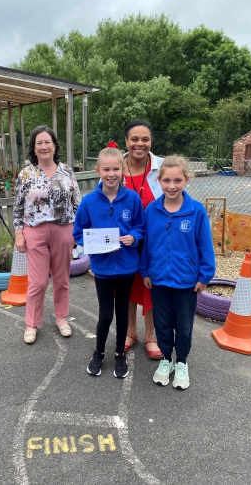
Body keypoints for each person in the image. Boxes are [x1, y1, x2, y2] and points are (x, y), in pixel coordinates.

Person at [140, 155, 215, 389]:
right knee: (162, 324)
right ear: (159, 181)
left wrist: (204, 276)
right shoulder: (151, 210)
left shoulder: (196, 212)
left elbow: (205, 246)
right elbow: (147, 244)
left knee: (183, 326)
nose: (172, 186)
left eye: (177, 180)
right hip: (159, 280)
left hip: (186, 282)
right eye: (167, 181)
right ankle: (165, 359)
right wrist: (145, 270)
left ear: (186, 180)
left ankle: (181, 362)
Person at [73, 147, 144, 378]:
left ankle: (119, 355)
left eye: (116, 168)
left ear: (123, 170)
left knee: (123, 312)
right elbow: (78, 232)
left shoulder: (132, 198)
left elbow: (140, 227)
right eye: (106, 169)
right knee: (105, 314)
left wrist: (133, 237)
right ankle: (99, 352)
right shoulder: (89, 201)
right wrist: (91, 243)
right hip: (102, 269)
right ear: (97, 171)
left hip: (126, 268)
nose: (111, 173)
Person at [13, 125, 82, 344]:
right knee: (38, 282)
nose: (44, 146)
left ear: (54, 145)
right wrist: (19, 233)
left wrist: (79, 231)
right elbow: (17, 207)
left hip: (63, 229)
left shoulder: (67, 171)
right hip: (35, 230)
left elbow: (77, 202)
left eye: (47, 142)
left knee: (61, 279)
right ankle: (32, 323)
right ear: (34, 148)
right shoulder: (26, 174)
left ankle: (62, 317)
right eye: (39, 143)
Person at [122, 119, 163, 359]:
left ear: (151, 141)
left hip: (153, 242)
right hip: (124, 242)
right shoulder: (116, 166)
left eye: (145, 139)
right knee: (126, 288)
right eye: (135, 139)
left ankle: (150, 336)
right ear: (126, 141)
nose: (140, 144)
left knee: (151, 288)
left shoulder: (161, 167)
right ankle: (130, 332)